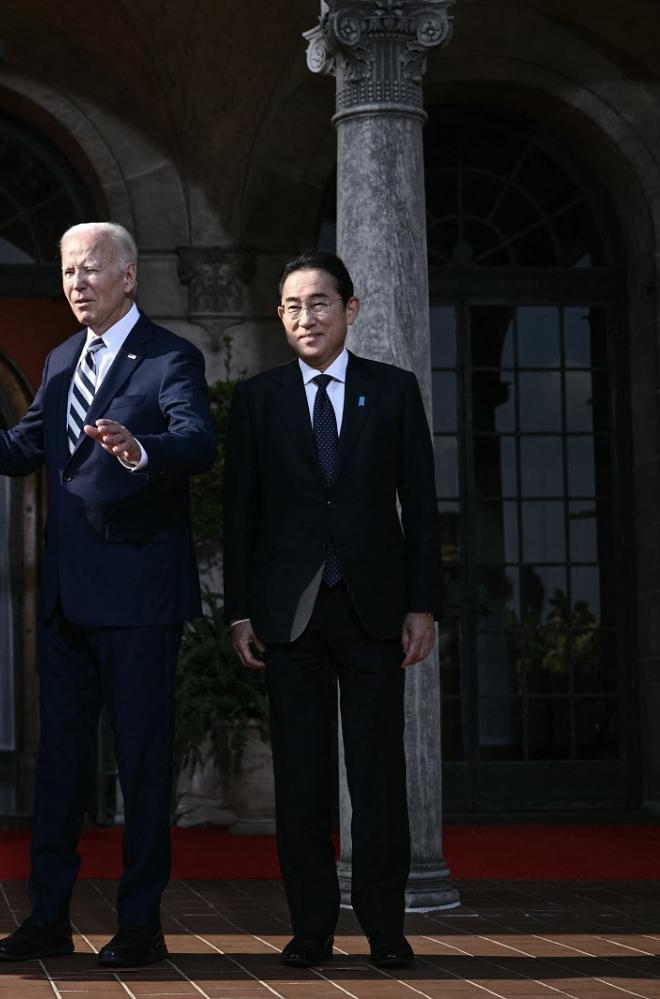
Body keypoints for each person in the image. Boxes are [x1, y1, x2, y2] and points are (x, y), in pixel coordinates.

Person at [0, 222, 215, 968]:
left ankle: (141, 922)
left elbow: (198, 440)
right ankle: (48, 916)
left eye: (89, 268)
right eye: (65, 271)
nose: (76, 282)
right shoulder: (59, 360)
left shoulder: (170, 356)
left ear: (128, 275)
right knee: (60, 765)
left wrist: (144, 450)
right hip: (64, 601)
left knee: (143, 764)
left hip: (141, 596)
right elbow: (23, 446)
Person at [222, 249, 439, 970]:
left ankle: (385, 927)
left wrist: (422, 604)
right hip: (289, 616)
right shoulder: (259, 400)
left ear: (351, 309)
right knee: (303, 781)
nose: (305, 316)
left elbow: (424, 509)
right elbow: (241, 514)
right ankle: (311, 928)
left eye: (319, 302)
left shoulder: (396, 390)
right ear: (279, 318)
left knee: (377, 777)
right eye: (292, 305)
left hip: (375, 611)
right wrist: (241, 610)